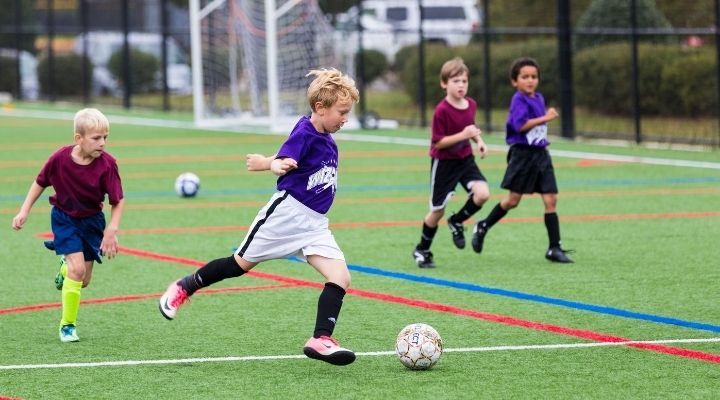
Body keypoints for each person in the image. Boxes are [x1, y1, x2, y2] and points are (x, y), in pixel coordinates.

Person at [158, 68, 359, 366]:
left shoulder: (329, 141)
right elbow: (282, 160)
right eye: (342, 112)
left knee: (340, 277)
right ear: (320, 108)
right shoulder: (304, 132)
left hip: (315, 225)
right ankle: (184, 287)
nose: (345, 118)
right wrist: (270, 164)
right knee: (238, 264)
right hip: (285, 216)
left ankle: (320, 339)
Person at [12, 108, 125, 342]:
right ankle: (67, 326)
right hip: (64, 218)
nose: (102, 143)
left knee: (83, 280)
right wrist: (24, 210)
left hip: (93, 221)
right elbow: (39, 182)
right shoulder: (59, 159)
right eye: (96, 138)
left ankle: (65, 268)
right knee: (78, 270)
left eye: (105, 137)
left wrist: (111, 229)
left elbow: (117, 200)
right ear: (78, 138)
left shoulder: (108, 164)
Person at [471, 57, 573, 263]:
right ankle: (483, 225)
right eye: (525, 77)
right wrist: (546, 117)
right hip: (522, 156)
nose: (530, 80)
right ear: (514, 81)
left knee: (551, 199)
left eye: (534, 77)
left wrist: (544, 117)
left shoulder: (539, 98)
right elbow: (520, 125)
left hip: (541, 155)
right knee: (513, 201)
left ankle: (554, 247)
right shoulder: (518, 100)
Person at [412, 57, 489, 269]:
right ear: (444, 83)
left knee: (483, 193)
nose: (461, 85)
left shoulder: (471, 104)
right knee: (437, 211)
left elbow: (470, 127)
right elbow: (440, 142)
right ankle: (422, 249)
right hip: (444, 163)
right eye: (456, 81)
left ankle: (457, 221)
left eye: (464, 81)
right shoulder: (442, 111)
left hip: (465, 160)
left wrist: (479, 141)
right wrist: (464, 134)